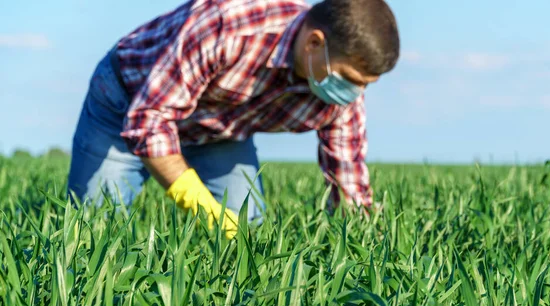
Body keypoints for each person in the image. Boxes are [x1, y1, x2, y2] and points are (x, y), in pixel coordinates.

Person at [66, 0, 400, 238]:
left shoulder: (341, 98)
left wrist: (361, 240)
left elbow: (349, 183)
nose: (353, 93)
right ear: (315, 43)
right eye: (347, 78)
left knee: (246, 236)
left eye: (364, 85)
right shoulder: (230, 25)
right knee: (94, 230)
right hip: (127, 102)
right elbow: (151, 120)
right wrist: (201, 206)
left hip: (216, 131)